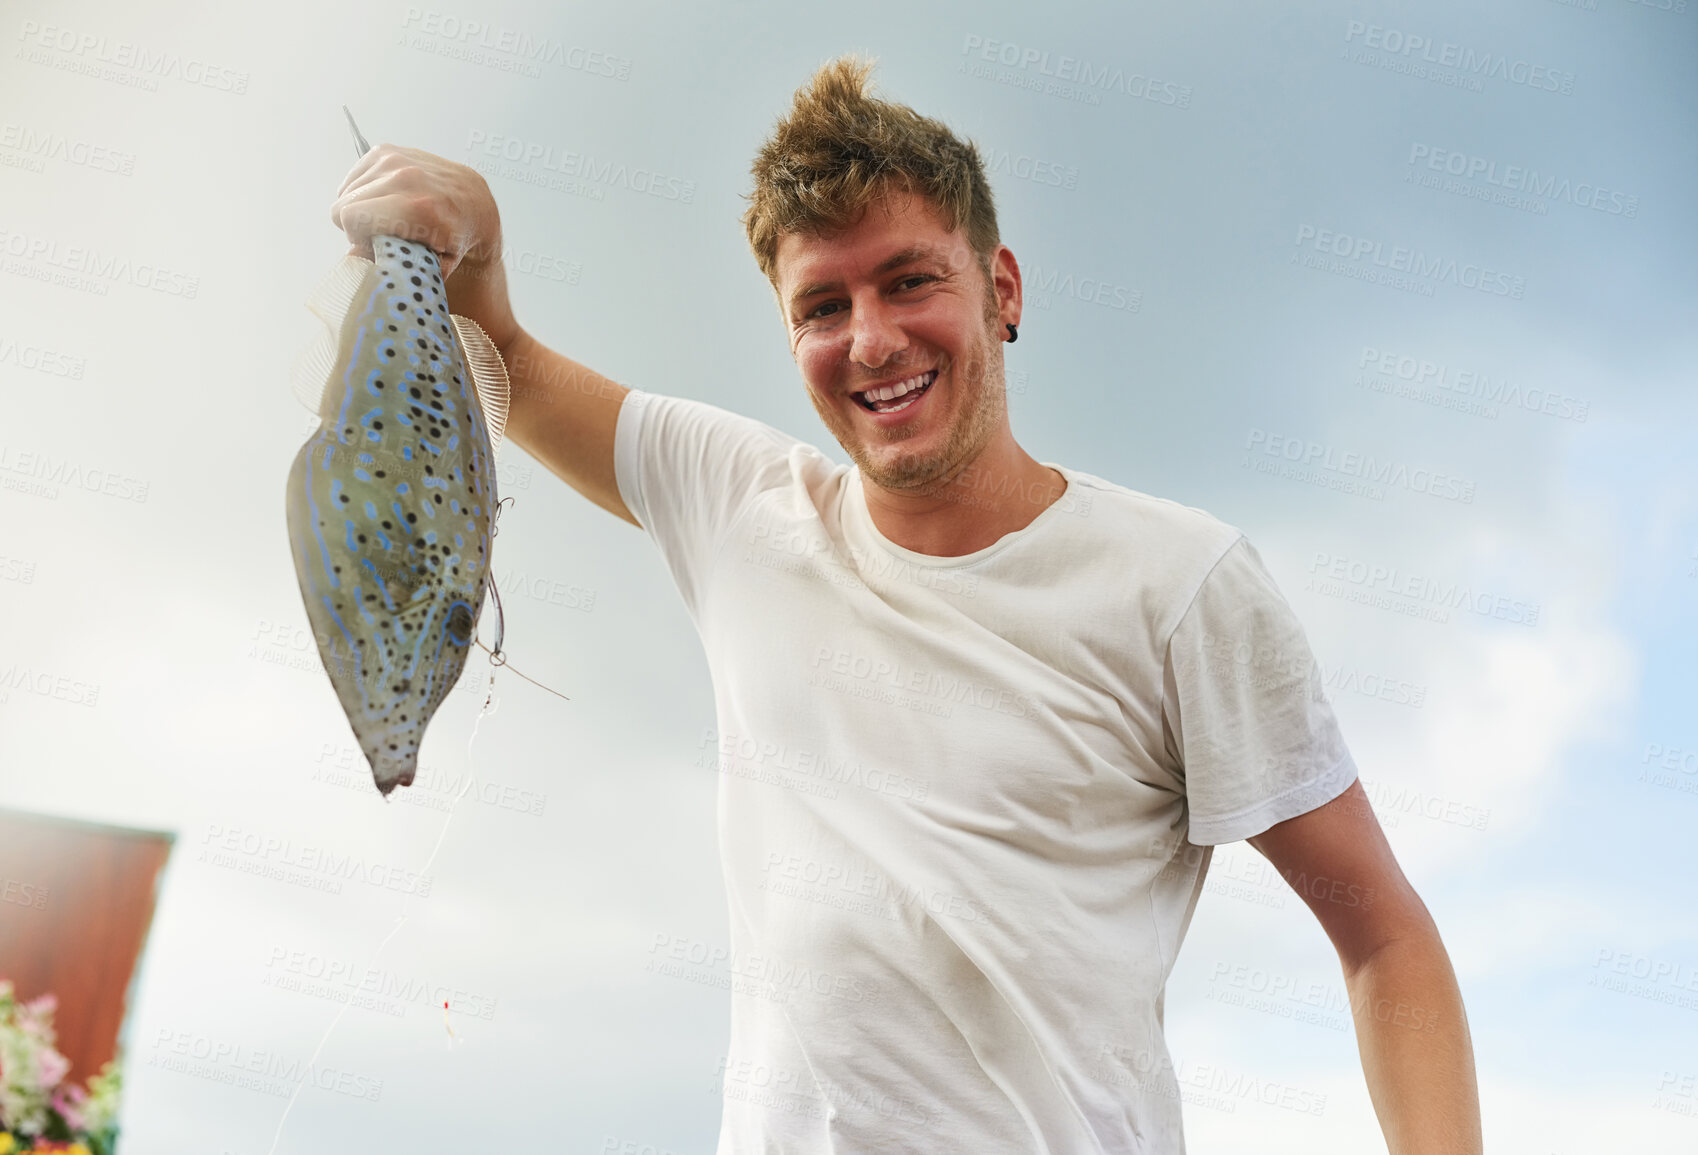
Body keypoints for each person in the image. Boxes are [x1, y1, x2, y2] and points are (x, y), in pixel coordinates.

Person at [333, 55, 1483, 1154]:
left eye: (910, 280)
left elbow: (1383, 933)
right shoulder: (738, 503)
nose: (871, 340)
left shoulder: (1180, 584)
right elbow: (503, 361)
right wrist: (468, 231)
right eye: (821, 305)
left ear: (1002, 288)